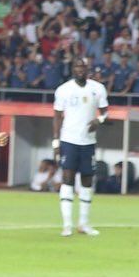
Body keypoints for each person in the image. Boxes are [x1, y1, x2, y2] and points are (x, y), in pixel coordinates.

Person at [52, 58, 108, 237]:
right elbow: (57, 116)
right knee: (67, 178)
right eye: (77, 66)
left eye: (83, 67)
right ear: (72, 69)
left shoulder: (97, 88)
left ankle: (83, 223)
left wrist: (99, 120)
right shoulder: (64, 90)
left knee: (87, 180)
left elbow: (105, 111)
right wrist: (56, 142)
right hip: (69, 139)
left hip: (88, 142)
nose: (80, 70)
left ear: (87, 69)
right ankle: (67, 224)